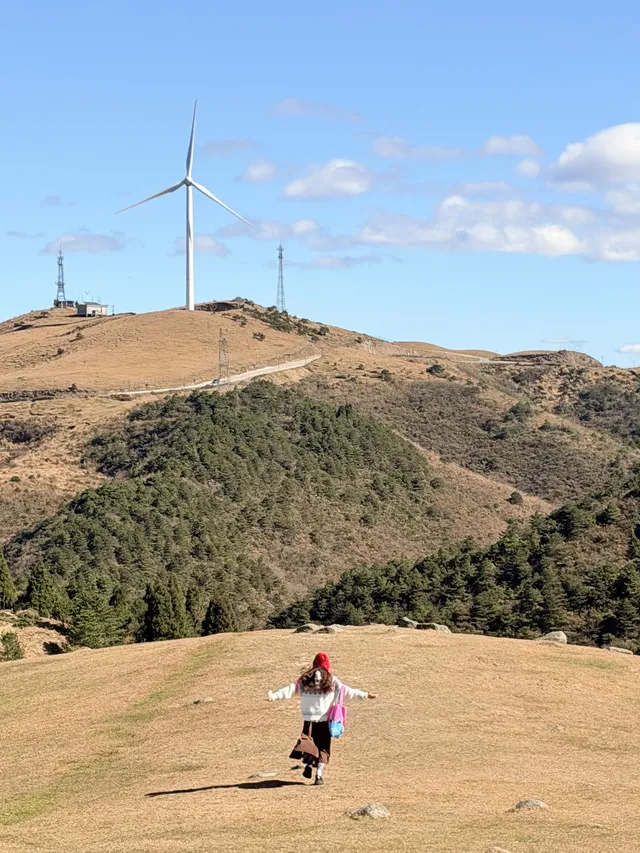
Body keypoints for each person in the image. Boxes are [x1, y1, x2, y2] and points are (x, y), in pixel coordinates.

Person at [268, 652, 376, 786]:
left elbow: (290, 689)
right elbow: (349, 692)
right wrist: (365, 695)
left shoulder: (305, 679)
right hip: (325, 720)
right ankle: (319, 775)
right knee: (323, 748)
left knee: (308, 744)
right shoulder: (331, 680)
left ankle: (308, 764)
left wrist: (274, 696)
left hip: (309, 719)